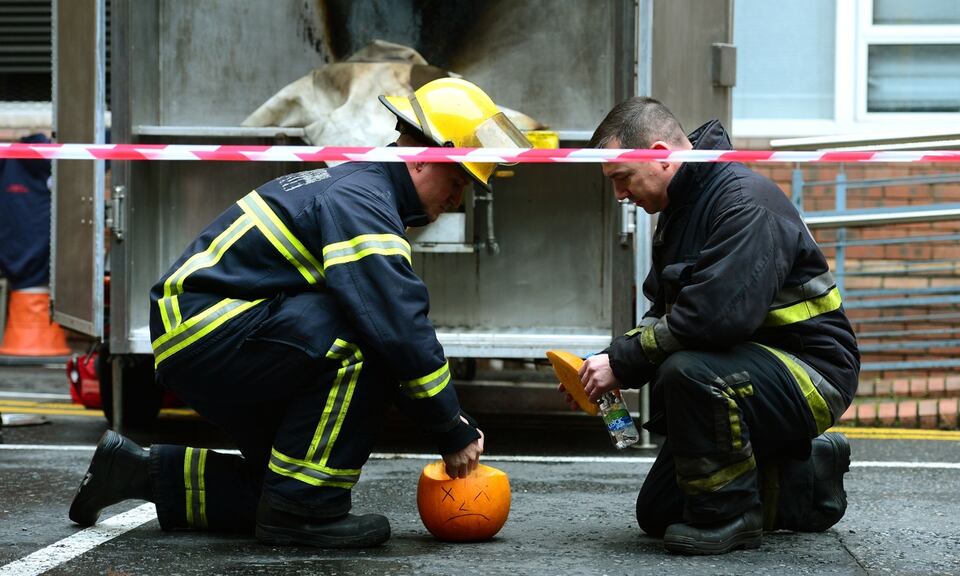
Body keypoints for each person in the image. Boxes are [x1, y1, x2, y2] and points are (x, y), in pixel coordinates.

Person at [68, 77, 532, 548]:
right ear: (424, 157)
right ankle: (303, 517)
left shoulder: (364, 188)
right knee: (365, 339)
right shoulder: (364, 202)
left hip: (205, 332)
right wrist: (450, 426)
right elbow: (396, 324)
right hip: (209, 329)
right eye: (457, 182)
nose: (458, 200)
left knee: (284, 483)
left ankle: (132, 471)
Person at [568, 97, 859, 555]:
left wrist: (624, 363)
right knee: (660, 513)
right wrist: (606, 363)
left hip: (811, 372)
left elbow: (713, 318)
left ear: (661, 154)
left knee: (687, 370)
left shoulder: (744, 203)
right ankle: (802, 472)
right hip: (742, 370)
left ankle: (732, 518)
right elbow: (663, 314)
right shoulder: (682, 210)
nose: (619, 194)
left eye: (622, 178)